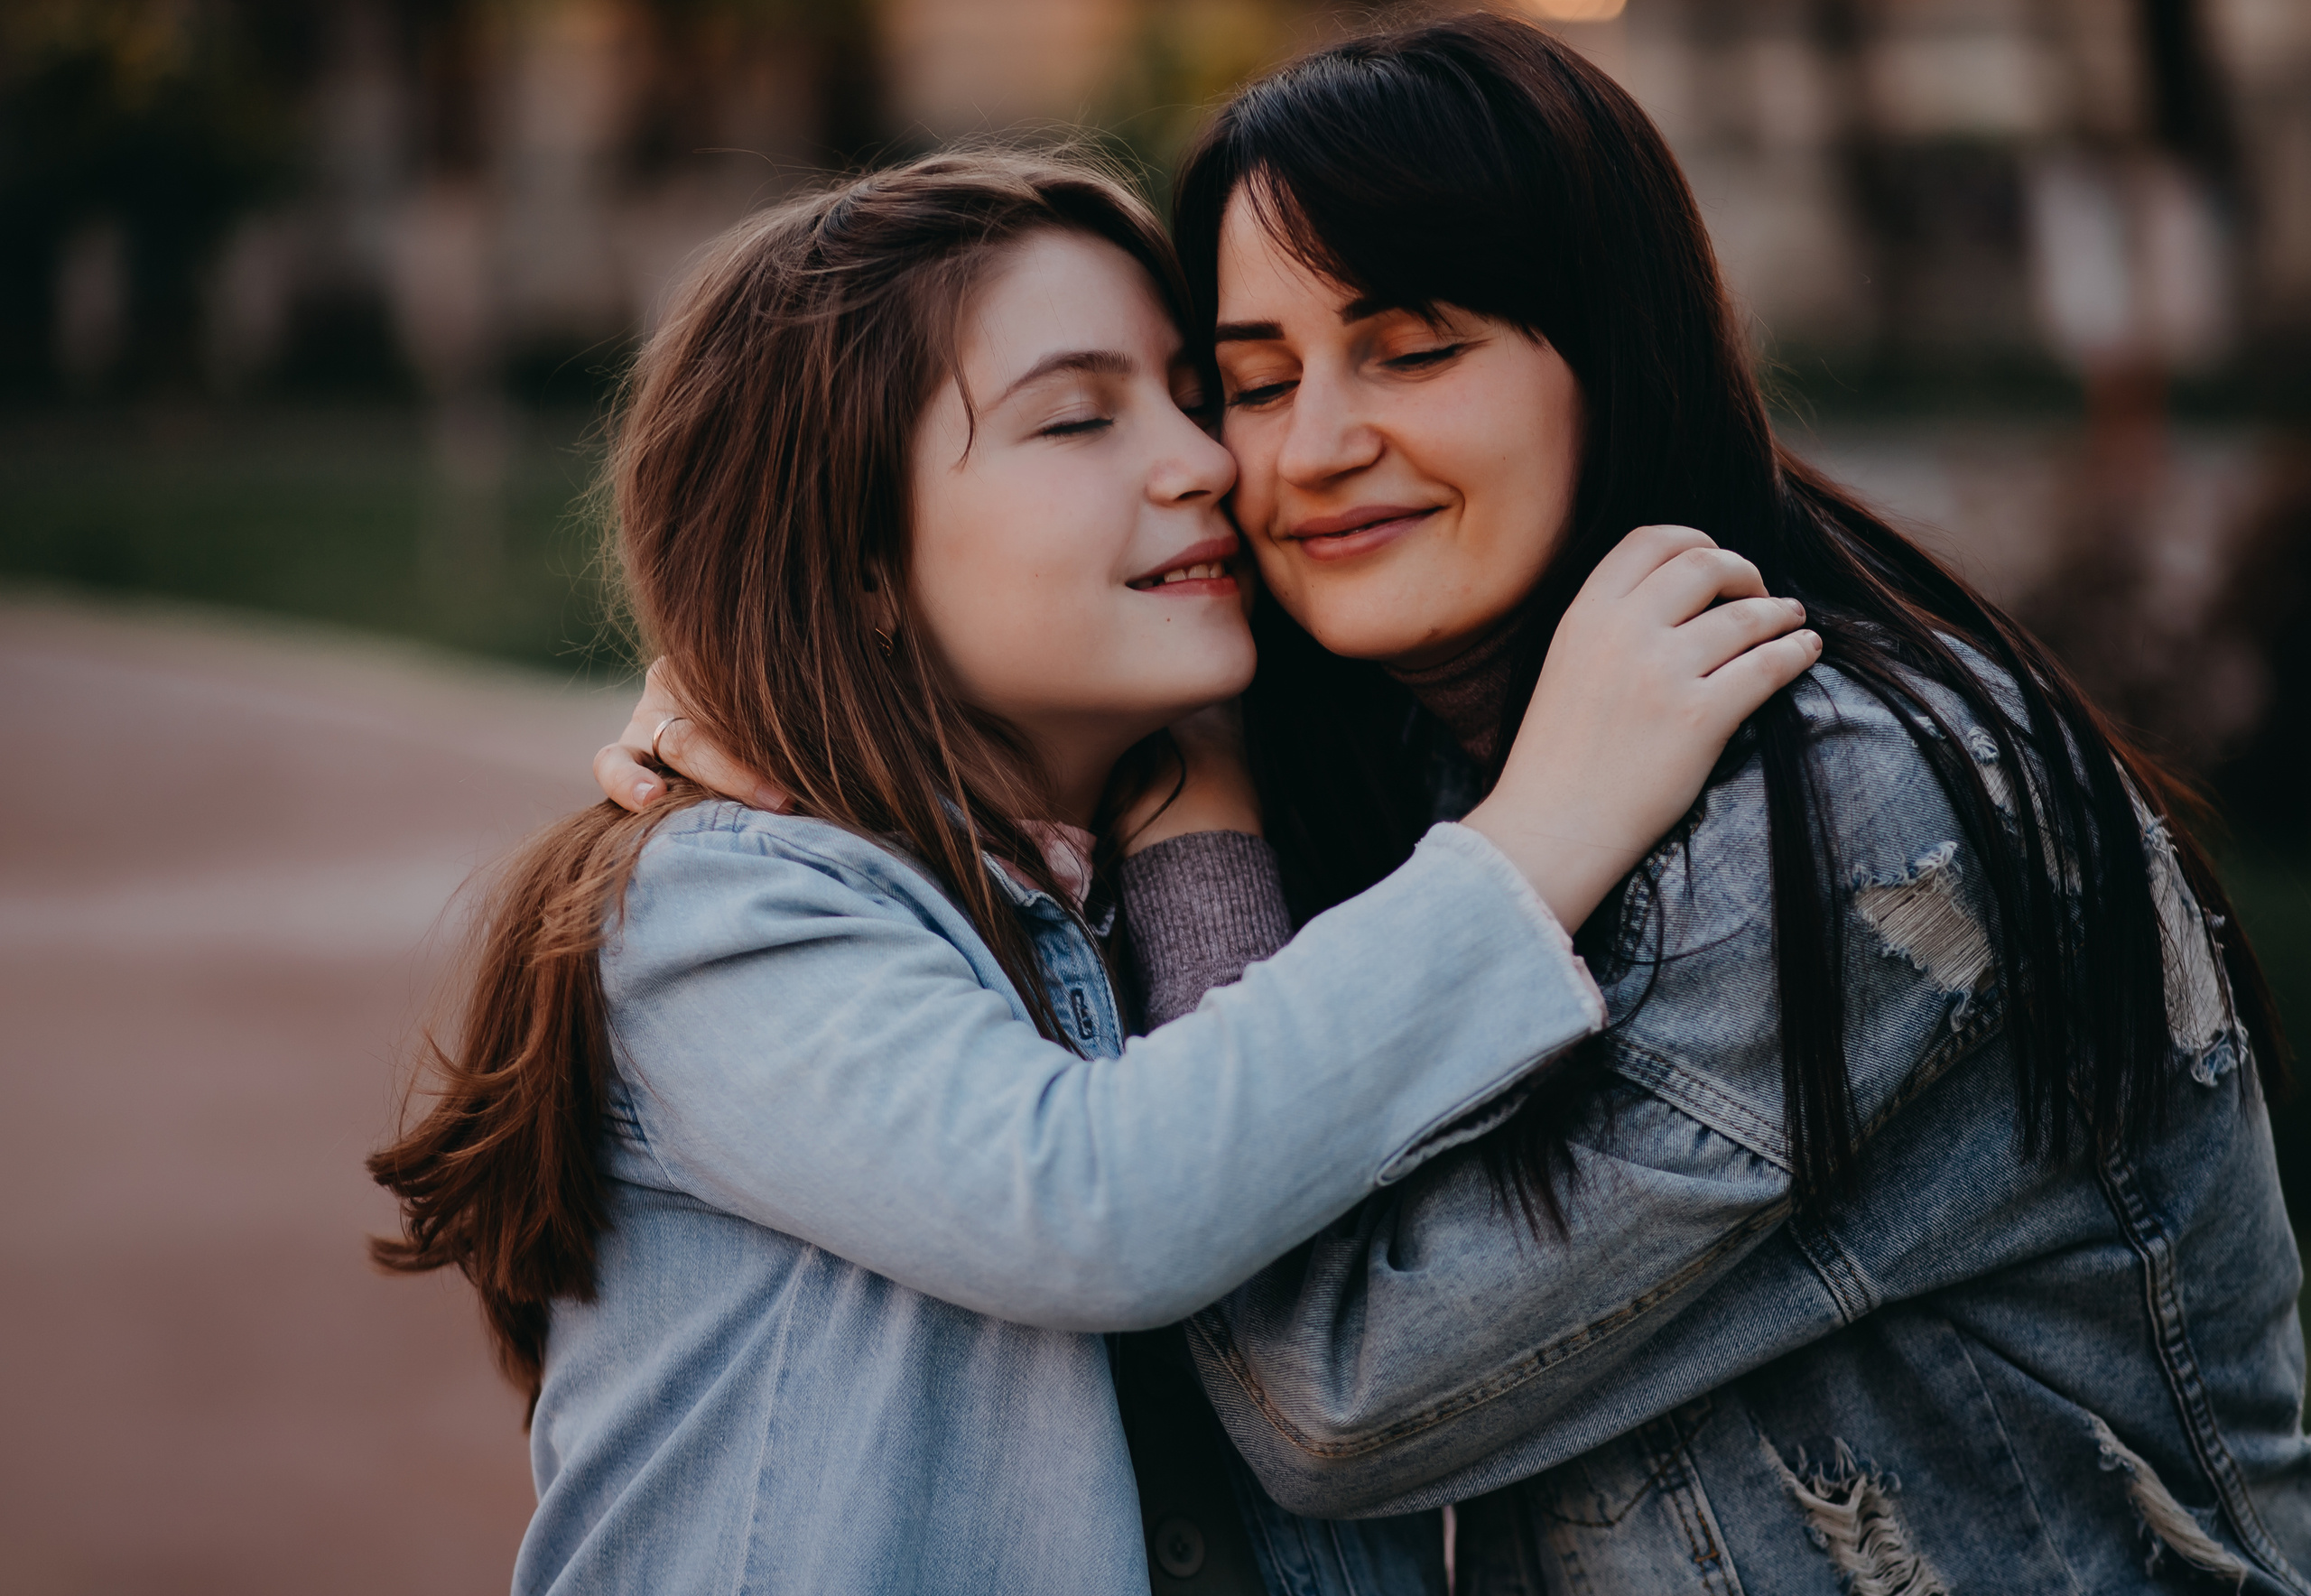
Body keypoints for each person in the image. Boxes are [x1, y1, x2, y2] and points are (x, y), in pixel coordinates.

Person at [606, 16, 2309, 1593]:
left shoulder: (1862, 808)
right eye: (1254, 380)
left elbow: (1332, 1393)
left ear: (1609, 352)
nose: (1287, 449)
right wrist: (763, 674)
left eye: (1413, 350)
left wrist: (1207, 839)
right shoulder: (1405, 747)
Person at [373, 148, 1815, 1594]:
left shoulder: (1231, 851)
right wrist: (1544, 829)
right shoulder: (728, 910)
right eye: (1077, 420)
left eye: (1199, 398)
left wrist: (1212, 814)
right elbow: (1093, 1202)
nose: (1202, 460)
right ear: (857, 558)